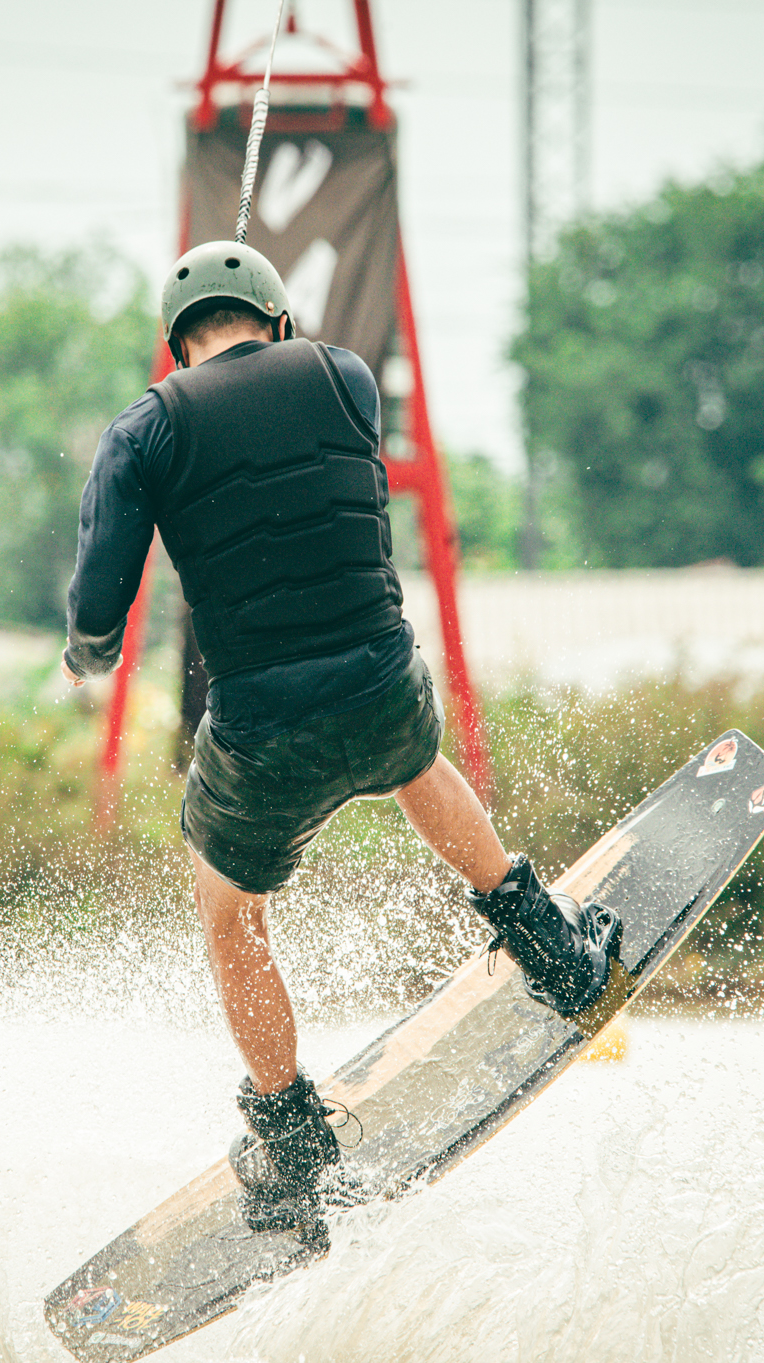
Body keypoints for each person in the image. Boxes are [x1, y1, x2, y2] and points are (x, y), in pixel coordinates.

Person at [60, 241, 617, 1233]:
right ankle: (552, 947)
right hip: (381, 686)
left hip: (260, 728)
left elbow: (102, 606)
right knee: (414, 764)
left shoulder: (142, 431)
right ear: (276, 319)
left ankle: (291, 1143)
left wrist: (86, 653)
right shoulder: (345, 376)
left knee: (229, 908)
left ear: (172, 342)